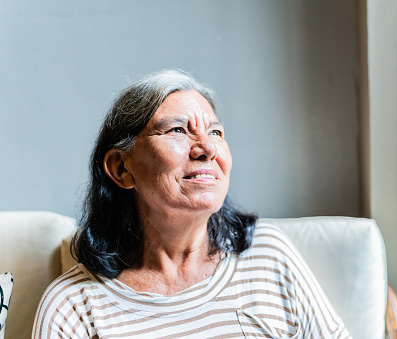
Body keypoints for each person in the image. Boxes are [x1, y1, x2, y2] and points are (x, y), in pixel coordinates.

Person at [33, 70, 351, 339]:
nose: (207, 148)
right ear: (121, 168)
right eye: (178, 130)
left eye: (215, 132)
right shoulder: (72, 306)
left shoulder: (269, 253)